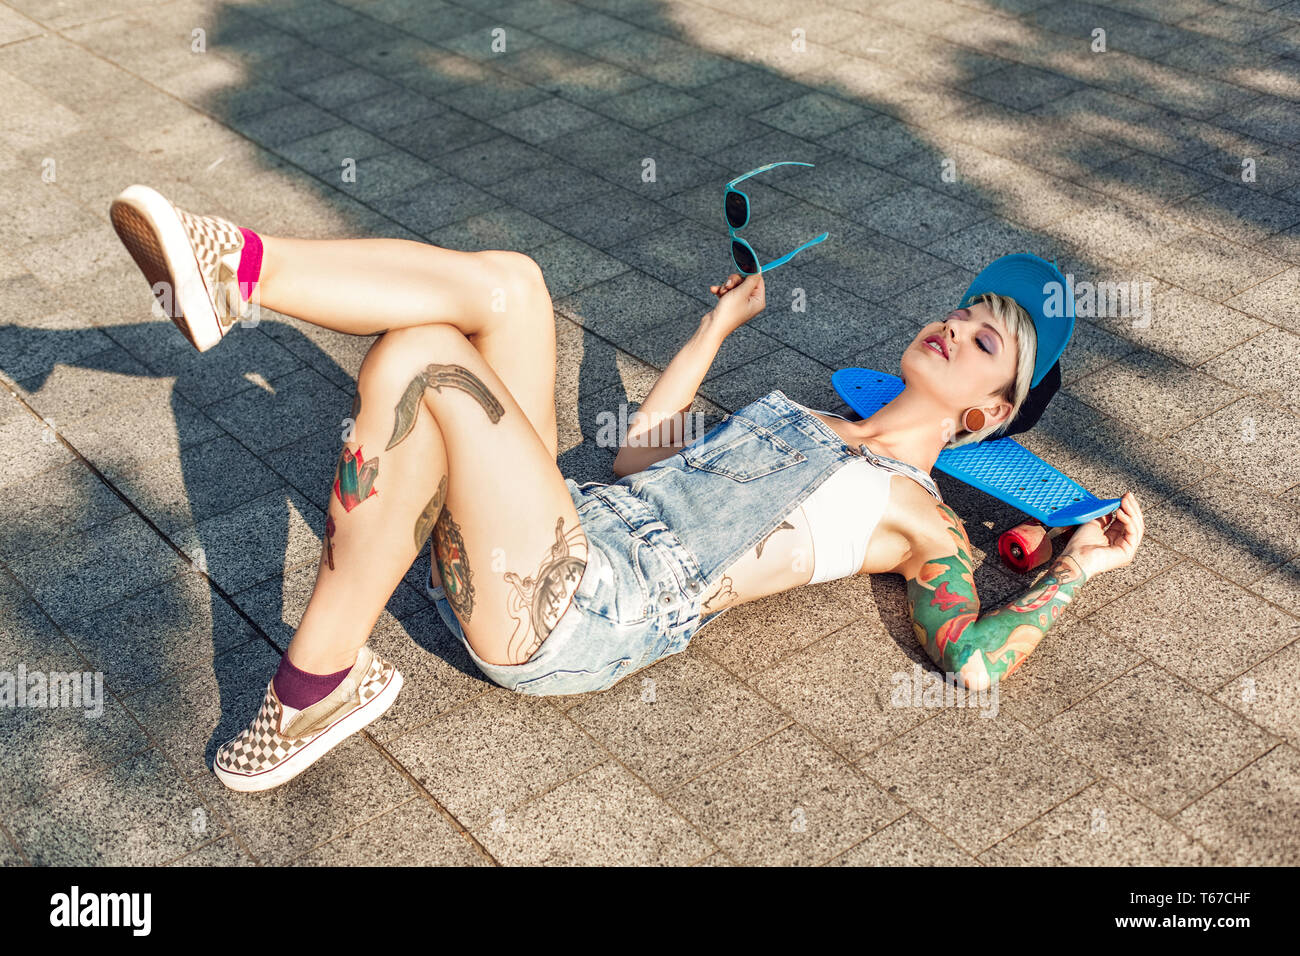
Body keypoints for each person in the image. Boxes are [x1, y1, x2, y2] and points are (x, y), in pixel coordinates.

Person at [108, 185, 1145, 792]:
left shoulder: (915, 514)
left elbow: (970, 657)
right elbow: (633, 461)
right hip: (557, 529)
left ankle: (312, 690)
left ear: (990, 414)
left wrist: (1076, 569)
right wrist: (715, 330)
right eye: (965, 308)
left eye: (983, 341)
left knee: (422, 353)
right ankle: (237, 264)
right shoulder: (808, 415)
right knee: (512, 280)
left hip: (583, 608)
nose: (955, 325)